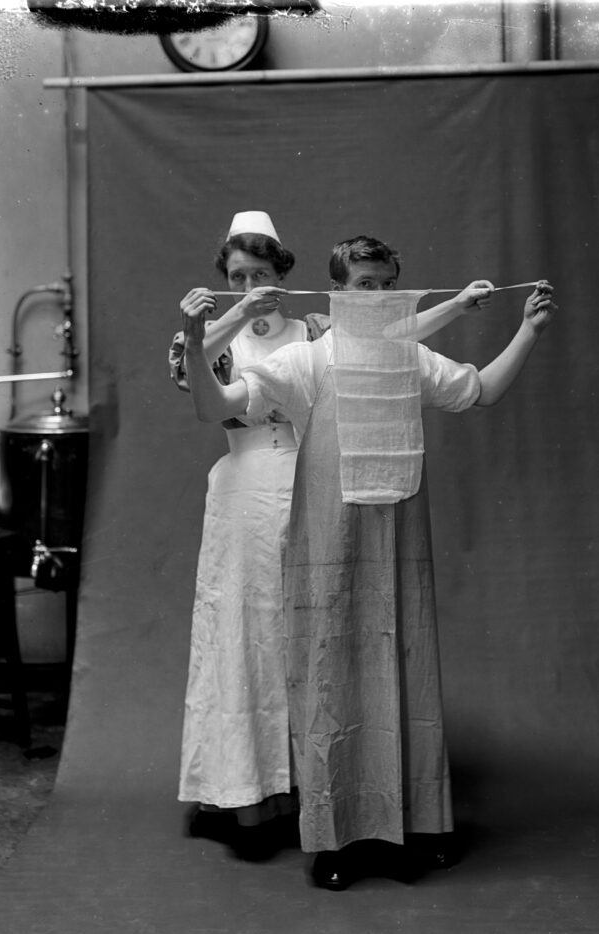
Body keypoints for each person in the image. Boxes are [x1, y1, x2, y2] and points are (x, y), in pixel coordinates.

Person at [180, 235, 557, 888]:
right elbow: (216, 403)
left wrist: (526, 332)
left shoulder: (406, 357)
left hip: (400, 545)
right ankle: (336, 841)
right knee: (330, 681)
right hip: (326, 541)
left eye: (386, 287)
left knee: (403, 674)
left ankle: (410, 827)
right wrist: (195, 335)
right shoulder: (308, 360)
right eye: (362, 287)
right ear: (337, 293)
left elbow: (481, 390)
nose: (376, 298)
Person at [169, 211, 328, 861]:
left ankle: (308, 789)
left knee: (301, 630)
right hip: (240, 490)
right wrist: (203, 324)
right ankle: (237, 791)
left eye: (261, 273)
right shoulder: (213, 336)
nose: (250, 284)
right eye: (238, 276)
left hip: (304, 479)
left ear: (283, 273)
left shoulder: (311, 333)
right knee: (240, 631)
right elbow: (202, 395)